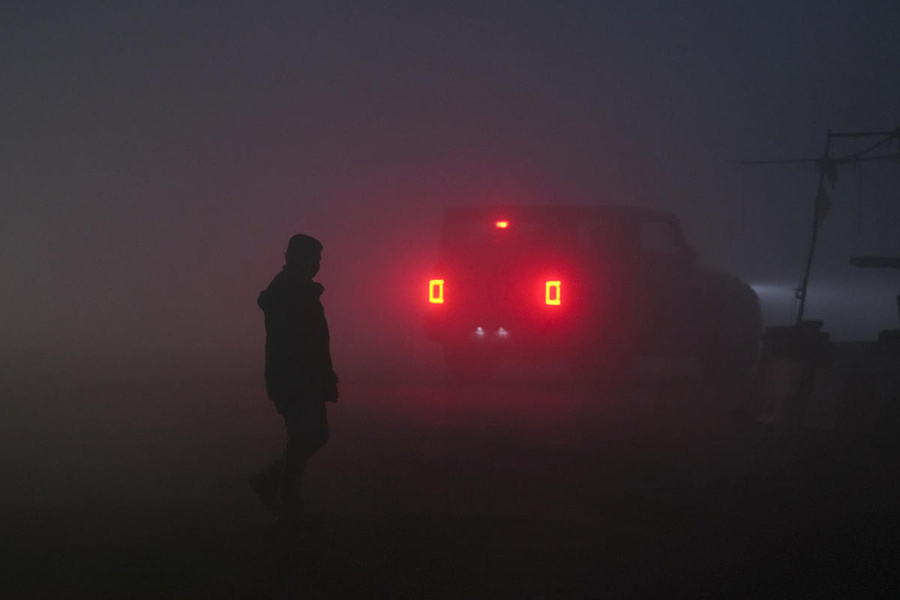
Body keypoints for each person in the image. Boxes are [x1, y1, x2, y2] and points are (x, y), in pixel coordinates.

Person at [250, 233, 339, 528]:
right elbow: (305, 342)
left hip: (295, 377)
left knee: (308, 436)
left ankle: (273, 486)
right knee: (309, 435)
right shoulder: (293, 292)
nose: (318, 264)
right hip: (297, 378)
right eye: (315, 258)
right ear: (301, 259)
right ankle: (288, 500)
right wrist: (323, 376)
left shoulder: (292, 289)